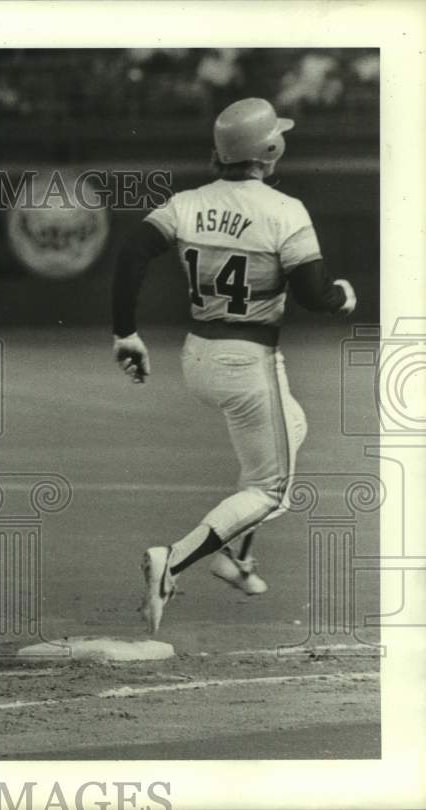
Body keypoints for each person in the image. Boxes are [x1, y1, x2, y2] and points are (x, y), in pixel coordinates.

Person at [110, 97, 357, 634]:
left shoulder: (187, 203)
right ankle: (172, 561)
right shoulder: (285, 210)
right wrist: (343, 297)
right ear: (269, 149)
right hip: (249, 360)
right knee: (272, 490)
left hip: (198, 356)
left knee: (293, 425)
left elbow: (131, 252)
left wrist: (126, 331)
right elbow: (315, 296)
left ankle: (237, 559)